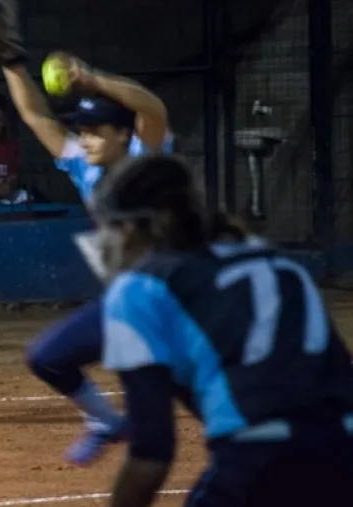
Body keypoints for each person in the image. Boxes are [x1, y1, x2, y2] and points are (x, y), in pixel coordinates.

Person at [0, 1, 172, 465]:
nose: (84, 139)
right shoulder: (83, 166)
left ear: (122, 135)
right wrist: (11, 63)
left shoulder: (147, 156)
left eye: (95, 131)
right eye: (82, 131)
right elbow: (37, 117)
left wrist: (92, 79)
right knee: (47, 358)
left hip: (182, 298)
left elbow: (151, 107)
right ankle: (104, 420)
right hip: (131, 303)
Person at [91, 154, 353, 507]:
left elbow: (151, 453)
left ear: (142, 226)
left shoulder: (141, 287)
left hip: (260, 461)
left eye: (113, 227)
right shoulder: (275, 261)